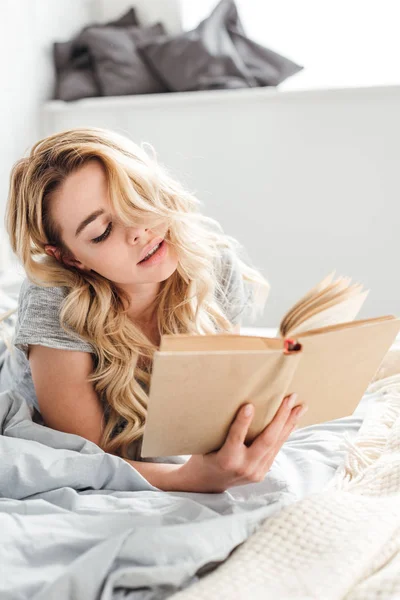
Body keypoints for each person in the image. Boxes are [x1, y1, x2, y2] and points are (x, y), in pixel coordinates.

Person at [0, 127, 308, 493]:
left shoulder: (212, 262)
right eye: (101, 232)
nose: (138, 230)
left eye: (137, 199)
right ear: (70, 258)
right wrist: (188, 479)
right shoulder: (55, 299)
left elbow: (219, 409)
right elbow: (91, 460)